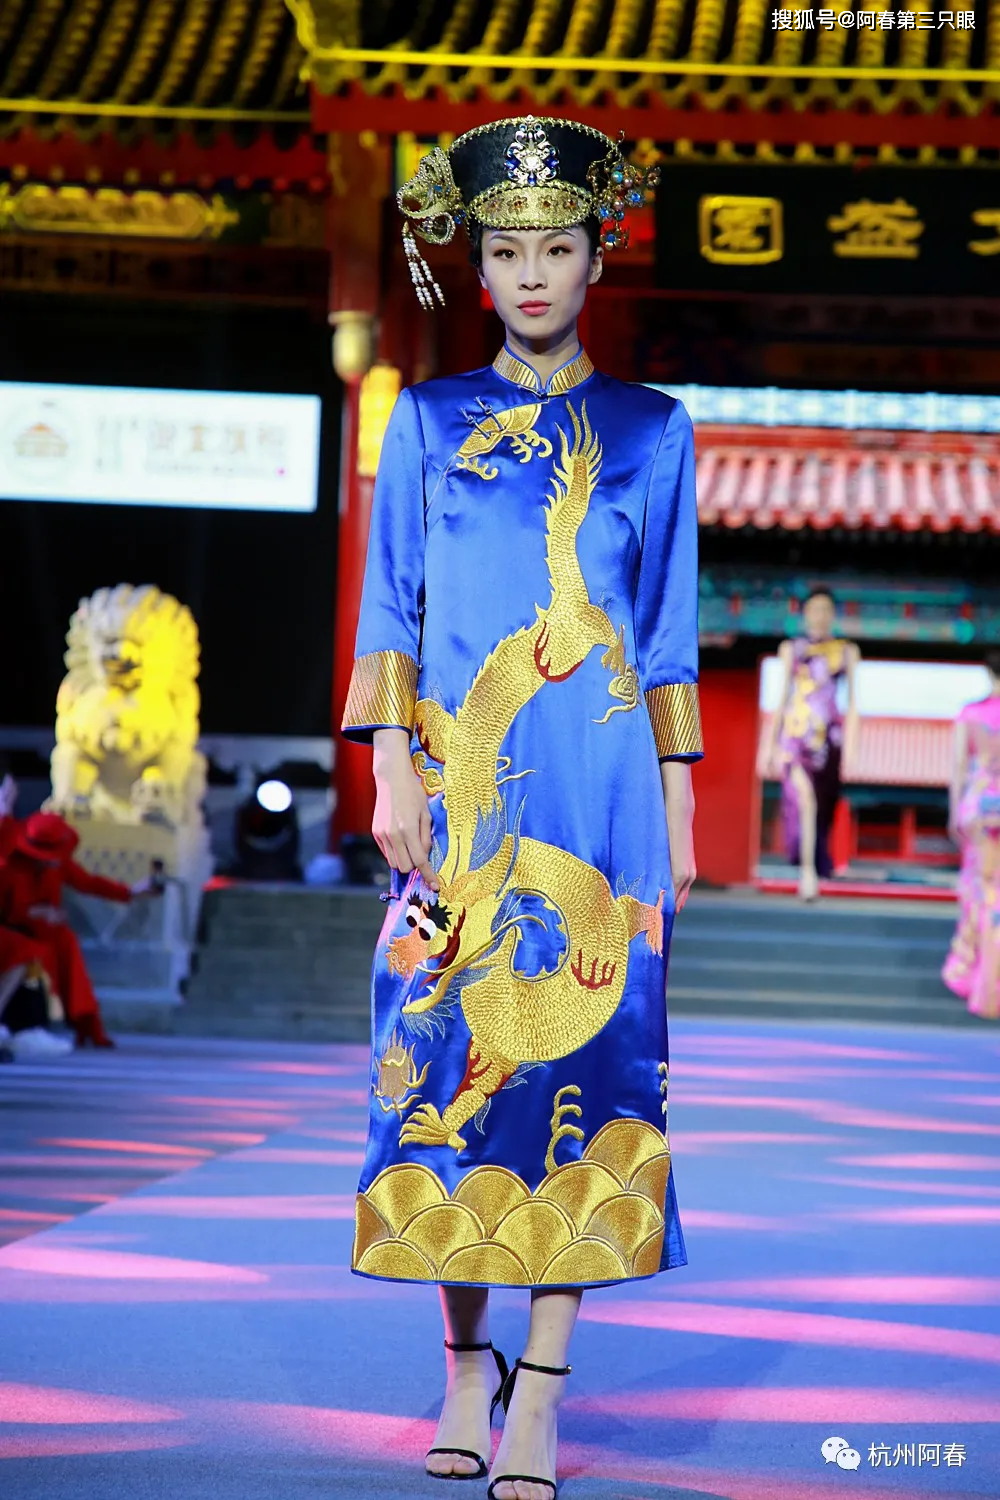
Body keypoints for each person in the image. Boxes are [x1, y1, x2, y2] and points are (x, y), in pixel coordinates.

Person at [340, 118, 702, 1500]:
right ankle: (461, 1365)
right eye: (505, 252)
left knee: (585, 1073)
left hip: (604, 800)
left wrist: (676, 808)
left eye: (557, 247)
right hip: (458, 787)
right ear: (477, 266)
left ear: (597, 256)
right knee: (443, 1055)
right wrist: (391, 764)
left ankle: (540, 1389)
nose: (532, 274)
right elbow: (391, 606)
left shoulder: (654, 432)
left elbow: (662, 637)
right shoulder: (428, 422)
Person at [0, 810, 158, 1048]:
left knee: (66, 943)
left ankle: (84, 1024)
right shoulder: (9, 865)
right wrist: (35, 912)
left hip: (43, 932)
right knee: (28, 952)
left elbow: (87, 882)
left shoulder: (58, 864)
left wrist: (130, 892)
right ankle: (26, 1024)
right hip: (10, 930)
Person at [766, 587, 859, 901]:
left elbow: (853, 704)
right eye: (814, 610)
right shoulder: (791, 649)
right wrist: (769, 746)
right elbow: (782, 698)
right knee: (805, 800)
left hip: (828, 742)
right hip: (795, 736)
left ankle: (814, 863)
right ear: (804, 614)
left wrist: (854, 745)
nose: (820, 616)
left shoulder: (847, 651)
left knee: (822, 808)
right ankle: (807, 874)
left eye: (826, 610)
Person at [942, 651, 1000, 1019]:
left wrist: (954, 812)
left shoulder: (970, 713)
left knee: (982, 891)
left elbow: (958, 766)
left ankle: (979, 980)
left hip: (978, 804)